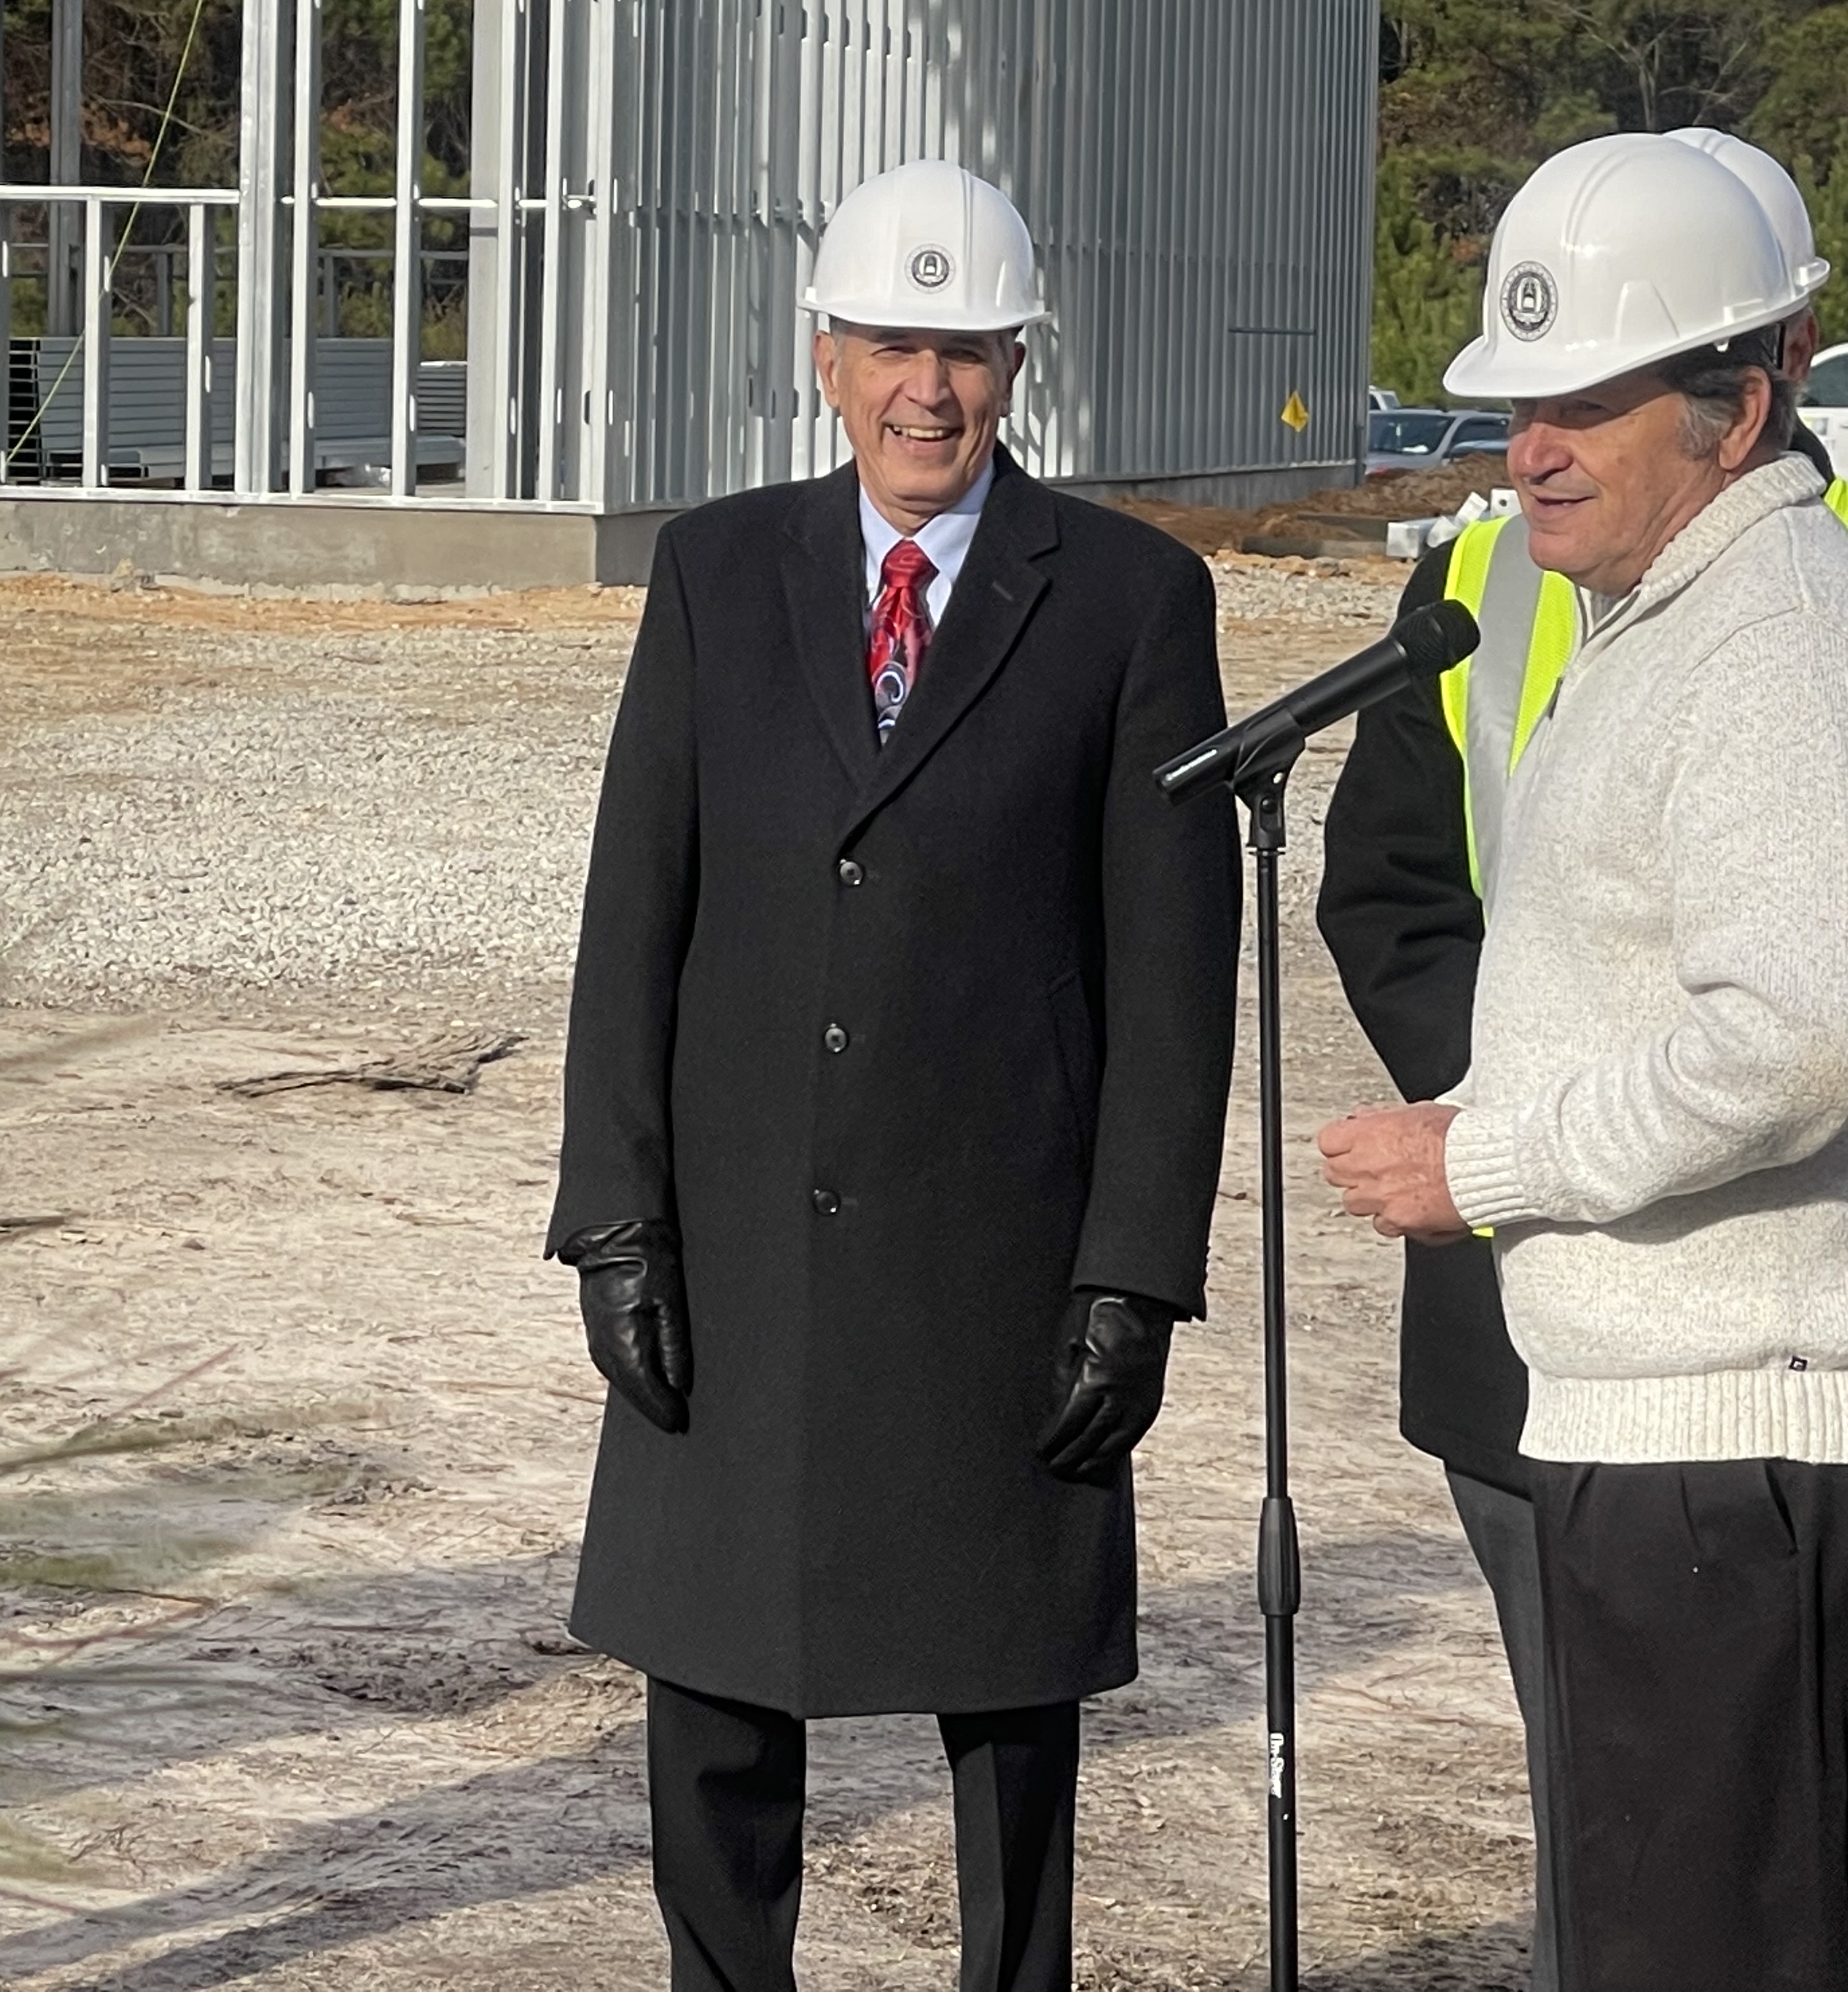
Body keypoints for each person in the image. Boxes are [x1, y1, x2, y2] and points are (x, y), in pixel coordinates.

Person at [1314, 126, 1848, 1992]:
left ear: (1739, 404)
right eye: (1516, 402)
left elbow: (1796, 1045)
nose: (1529, 448)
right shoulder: (1683, 619)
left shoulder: (1780, 652)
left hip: (1760, 1454)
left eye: (1584, 402)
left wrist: (1482, 1163)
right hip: (1700, 1431)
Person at [549, 158, 1239, 1992]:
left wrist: (1135, 1272)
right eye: (891, 347)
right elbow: (638, 911)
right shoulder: (715, 570)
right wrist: (614, 1216)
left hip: (1000, 1264)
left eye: (966, 351)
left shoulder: (1128, 601)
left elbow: (1174, 974)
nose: (927, 391)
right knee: (715, 1708)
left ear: (1018, 364)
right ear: (826, 358)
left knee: (1010, 1715)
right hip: (742, 1245)